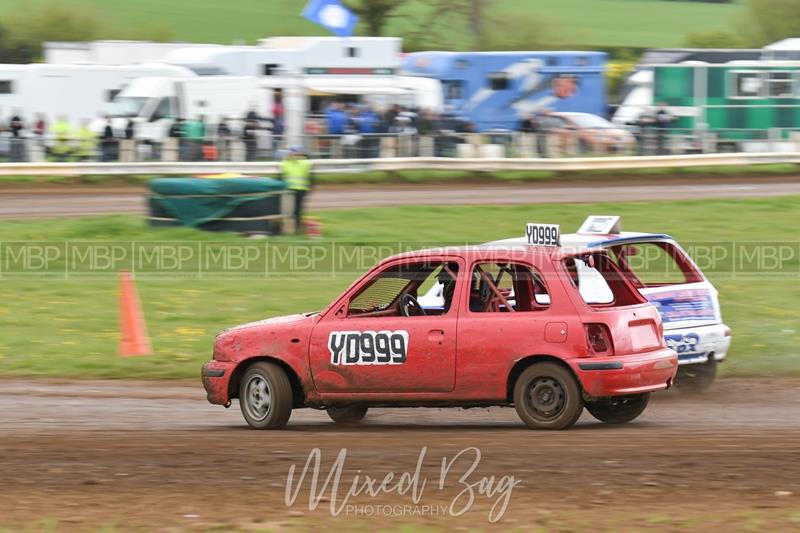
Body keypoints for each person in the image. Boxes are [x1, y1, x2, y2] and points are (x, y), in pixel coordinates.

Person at [279, 146, 313, 233]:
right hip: (288, 190)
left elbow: (311, 178)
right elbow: (281, 177)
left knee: (297, 210)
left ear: (300, 154)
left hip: (301, 190)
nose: (294, 155)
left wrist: (309, 189)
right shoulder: (285, 163)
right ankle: (287, 228)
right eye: (292, 153)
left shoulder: (306, 163)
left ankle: (296, 228)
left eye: (296, 153)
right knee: (288, 210)